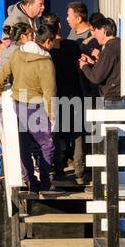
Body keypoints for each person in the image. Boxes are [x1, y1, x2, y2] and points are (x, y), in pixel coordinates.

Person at [0, 19, 57, 195]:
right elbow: (49, 93)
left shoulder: (16, 54)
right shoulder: (45, 62)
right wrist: (53, 117)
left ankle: (30, 181)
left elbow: (1, 77)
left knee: (23, 146)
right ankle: (44, 183)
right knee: (47, 144)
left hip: (17, 105)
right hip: (36, 107)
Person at [38, 19, 86, 184]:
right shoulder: (72, 46)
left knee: (55, 134)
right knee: (77, 134)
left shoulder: (46, 53)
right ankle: (80, 171)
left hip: (56, 97)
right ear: (59, 28)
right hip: (74, 94)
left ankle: (58, 170)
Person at [80, 17, 125, 109]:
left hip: (114, 100)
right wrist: (93, 63)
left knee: (113, 124)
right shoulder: (119, 44)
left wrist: (84, 66)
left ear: (103, 31)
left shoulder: (109, 49)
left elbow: (96, 77)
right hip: (121, 97)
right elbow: (111, 69)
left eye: (96, 31)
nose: (94, 35)